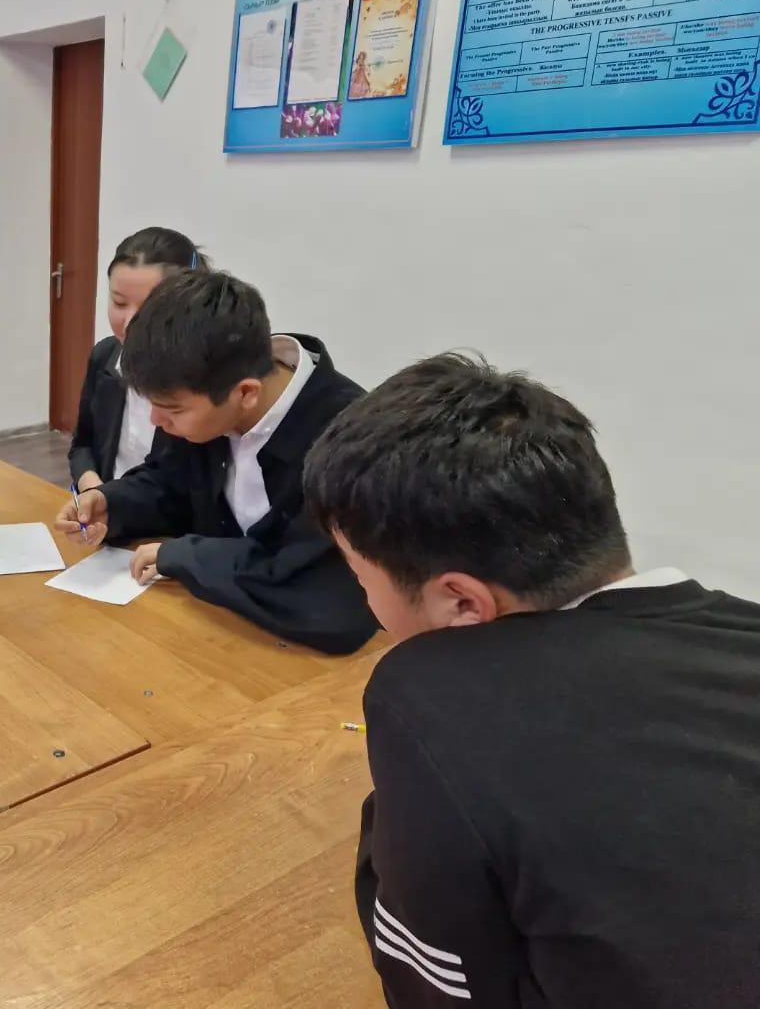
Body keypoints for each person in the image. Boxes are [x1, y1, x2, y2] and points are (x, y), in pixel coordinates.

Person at [302, 353, 760, 1008]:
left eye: (360, 578)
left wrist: (400, 811)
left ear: (463, 602)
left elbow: (431, 982)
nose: (367, 604)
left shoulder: (429, 700)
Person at [55, 271, 376, 654]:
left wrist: (184, 556)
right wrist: (114, 503)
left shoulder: (352, 444)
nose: (157, 421)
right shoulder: (207, 397)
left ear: (246, 393)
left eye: (172, 409)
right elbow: (172, 483)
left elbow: (326, 596)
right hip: (210, 635)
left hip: (306, 662)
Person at [69, 227, 208, 490]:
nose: (129, 322)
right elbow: (82, 444)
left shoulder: (203, 379)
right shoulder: (105, 356)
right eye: (119, 303)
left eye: (148, 308)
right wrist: (92, 485)